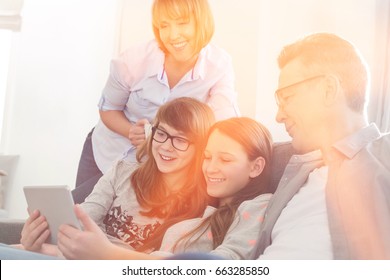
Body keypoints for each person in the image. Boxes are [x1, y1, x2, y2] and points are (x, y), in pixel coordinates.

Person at [73, 0, 240, 203]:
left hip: (156, 164)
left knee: (117, 224)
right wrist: (131, 130)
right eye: (164, 26)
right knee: (79, 212)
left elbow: (222, 124)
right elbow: (109, 109)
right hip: (108, 152)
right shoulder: (133, 60)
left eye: (182, 23)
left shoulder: (219, 66)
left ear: (200, 21)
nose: (172, 35)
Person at [15, 97, 215, 257]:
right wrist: (39, 238)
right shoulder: (123, 171)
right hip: (69, 257)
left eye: (180, 140)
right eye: (161, 133)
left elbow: (157, 267)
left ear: (201, 148)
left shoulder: (201, 211)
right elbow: (86, 216)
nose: (165, 146)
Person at [251, 32, 390, 259]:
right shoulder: (290, 169)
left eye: (287, 97)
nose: (278, 116)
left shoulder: (384, 154)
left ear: (328, 89)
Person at [57, 117, 273, 259]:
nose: (211, 168)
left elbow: (221, 266)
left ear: (256, 167)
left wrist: (107, 254)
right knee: (23, 251)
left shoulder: (257, 206)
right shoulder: (204, 205)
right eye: (207, 157)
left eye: (225, 160)